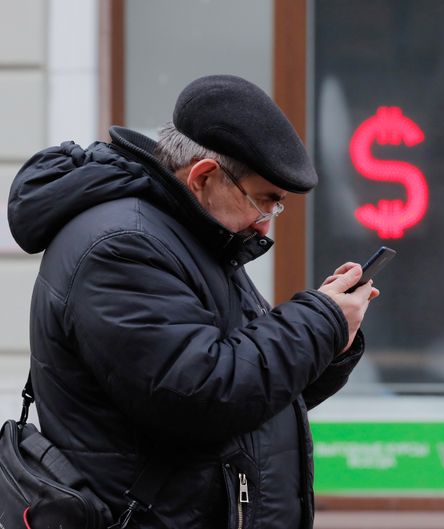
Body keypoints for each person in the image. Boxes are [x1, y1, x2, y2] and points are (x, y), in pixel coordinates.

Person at [7, 74, 377, 529]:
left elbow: (255, 397)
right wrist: (319, 323)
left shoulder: (188, 237)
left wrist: (331, 344)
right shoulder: (123, 246)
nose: (266, 224)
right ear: (203, 177)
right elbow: (203, 395)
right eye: (265, 201)